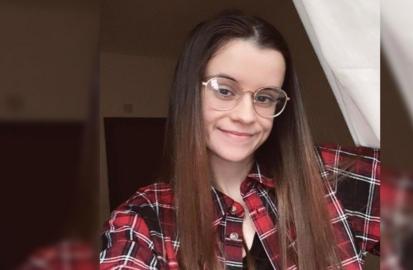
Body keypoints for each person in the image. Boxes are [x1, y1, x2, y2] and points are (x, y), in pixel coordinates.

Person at [99, 11, 380, 270]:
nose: (246, 115)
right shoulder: (144, 220)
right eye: (225, 90)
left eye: (265, 97)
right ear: (189, 92)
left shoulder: (331, 177)